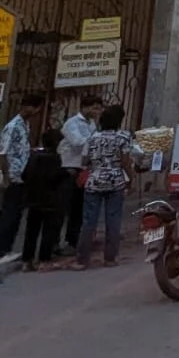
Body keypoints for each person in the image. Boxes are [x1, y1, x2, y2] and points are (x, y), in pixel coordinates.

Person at [73, 103, 136, 269]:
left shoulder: (93, 137)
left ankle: (81, 260)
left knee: (88, 222)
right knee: (113, 221)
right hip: (115, 181)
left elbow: (84, 161)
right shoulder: (123, 137)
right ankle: (110, 258)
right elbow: (125, 162)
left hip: (94, 181)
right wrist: (131, 179)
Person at [0, 92, 43, 267]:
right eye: (36, 108)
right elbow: (3, 154)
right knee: (9, 215)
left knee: (15, 216)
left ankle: (6, 250)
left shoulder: (24, 125)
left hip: (21, 176)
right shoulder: (13, 126)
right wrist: (5, 177)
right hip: (12, 177)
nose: (36, 112)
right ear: (30, 107)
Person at [20, 128, 69, 271]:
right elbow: (54, 178)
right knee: (48, 231)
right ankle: (44, 259)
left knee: (31, 231)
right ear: (56, 143)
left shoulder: (34, 156)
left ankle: (26, 260)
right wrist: (66, 174)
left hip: (33, 200)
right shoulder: (54, 158)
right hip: (50, 201)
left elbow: (24, 175)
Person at [59, 94, 102, 250]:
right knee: (66, 206)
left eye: (99, 108)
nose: (97, 111)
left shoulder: (91, 124)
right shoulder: (72, 123)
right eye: (94, 108)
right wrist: (95, 138)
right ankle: (56, 242)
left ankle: (73, 239)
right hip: (70, 167)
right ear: (85, 107)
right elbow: (77, 142)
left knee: (79, 207)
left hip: (84, 169)